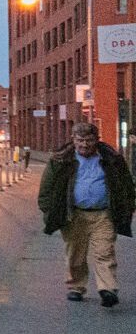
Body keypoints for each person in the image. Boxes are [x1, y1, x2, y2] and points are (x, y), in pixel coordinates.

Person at [37, 123, 134, 308]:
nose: (84, 144)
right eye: (80, 140)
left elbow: (126, 184)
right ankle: (76, 287)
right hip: (74, 215)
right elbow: (47, 188)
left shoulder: (112, 158)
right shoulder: (60, 160)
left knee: (105, 252)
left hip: (103, 214)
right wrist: (48, 209)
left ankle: (108, 289)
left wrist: (128, 206)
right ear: (73, 140)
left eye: (89, 140)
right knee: (76, 255)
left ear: (96, 140)